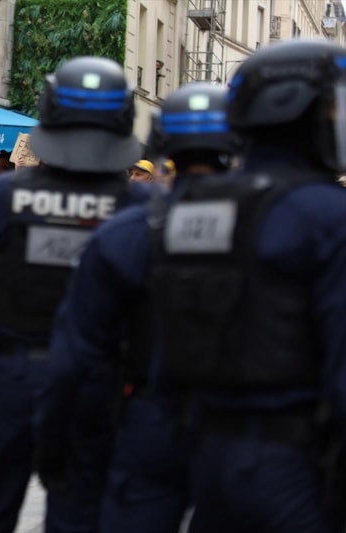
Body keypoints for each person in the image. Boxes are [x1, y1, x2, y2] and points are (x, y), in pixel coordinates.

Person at [152, 39, 346, 532]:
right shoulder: (327, 215)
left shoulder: (186, 209)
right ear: (298, 109)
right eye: (334, 105)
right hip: (296, 462)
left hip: (206, 451)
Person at [35, 82, 240, 533]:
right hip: (245, 428)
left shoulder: (125, 232)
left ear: (162, 144)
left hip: (151, 416)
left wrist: (53, 441)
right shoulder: (275, 227)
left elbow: (74, 357)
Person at [0, 56, 143, 532]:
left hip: (15, 373)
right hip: (102, 382)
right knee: (80, 517)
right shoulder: (144, 207)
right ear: (123, 118)